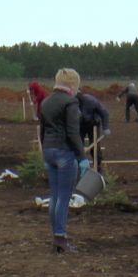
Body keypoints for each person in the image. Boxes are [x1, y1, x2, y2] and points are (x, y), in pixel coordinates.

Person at [38, 68, 86, 253]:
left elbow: (42, 131)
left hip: (49, 151)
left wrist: (45, 154)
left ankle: (57, 236)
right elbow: (73, 133)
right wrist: (82, 157)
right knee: (64, 197)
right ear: (73, 84)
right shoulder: (70, 102)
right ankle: (60, 238)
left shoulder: (46, 102)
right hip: (64, 153)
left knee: (55, 196)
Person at [77, 90, 112, 168]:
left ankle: (97, 164)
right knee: (78, 144)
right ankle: (79, 163)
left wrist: (105, 127)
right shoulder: (72, 103)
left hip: (93, 124)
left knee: (94, 145)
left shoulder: (91, 101)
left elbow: (104, 113)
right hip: (80, 125)